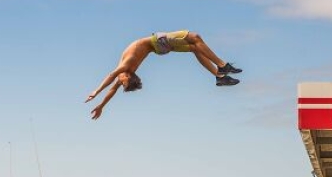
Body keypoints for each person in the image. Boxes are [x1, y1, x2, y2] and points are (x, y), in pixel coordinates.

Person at [85, 30, 242, 120]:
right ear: (128, 76)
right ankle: (222, 66)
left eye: (122, 82)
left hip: (158, 47)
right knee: (195, 37)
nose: (119, 82)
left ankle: (220, 77)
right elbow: (112, 80)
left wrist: (100, 103)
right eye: (123, 83)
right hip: (156, 42)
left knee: (195, 47)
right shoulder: (126, 67)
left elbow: (112, 86)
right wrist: (97, 95)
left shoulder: (125, 69)